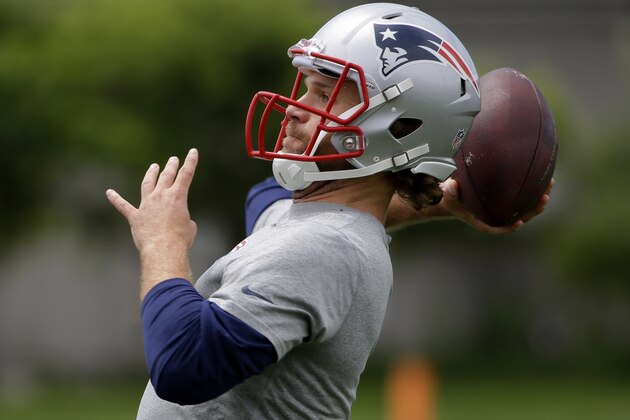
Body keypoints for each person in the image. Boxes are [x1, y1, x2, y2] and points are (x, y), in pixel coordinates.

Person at [106, 3, 552, 418]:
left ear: (400, 127)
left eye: (325, 93)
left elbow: (184, 365)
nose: (297, 110)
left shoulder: (327, 248)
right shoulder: (322, 225)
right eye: (307, 86)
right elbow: (266, 200)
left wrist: (163, 245)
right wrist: (430, 206)